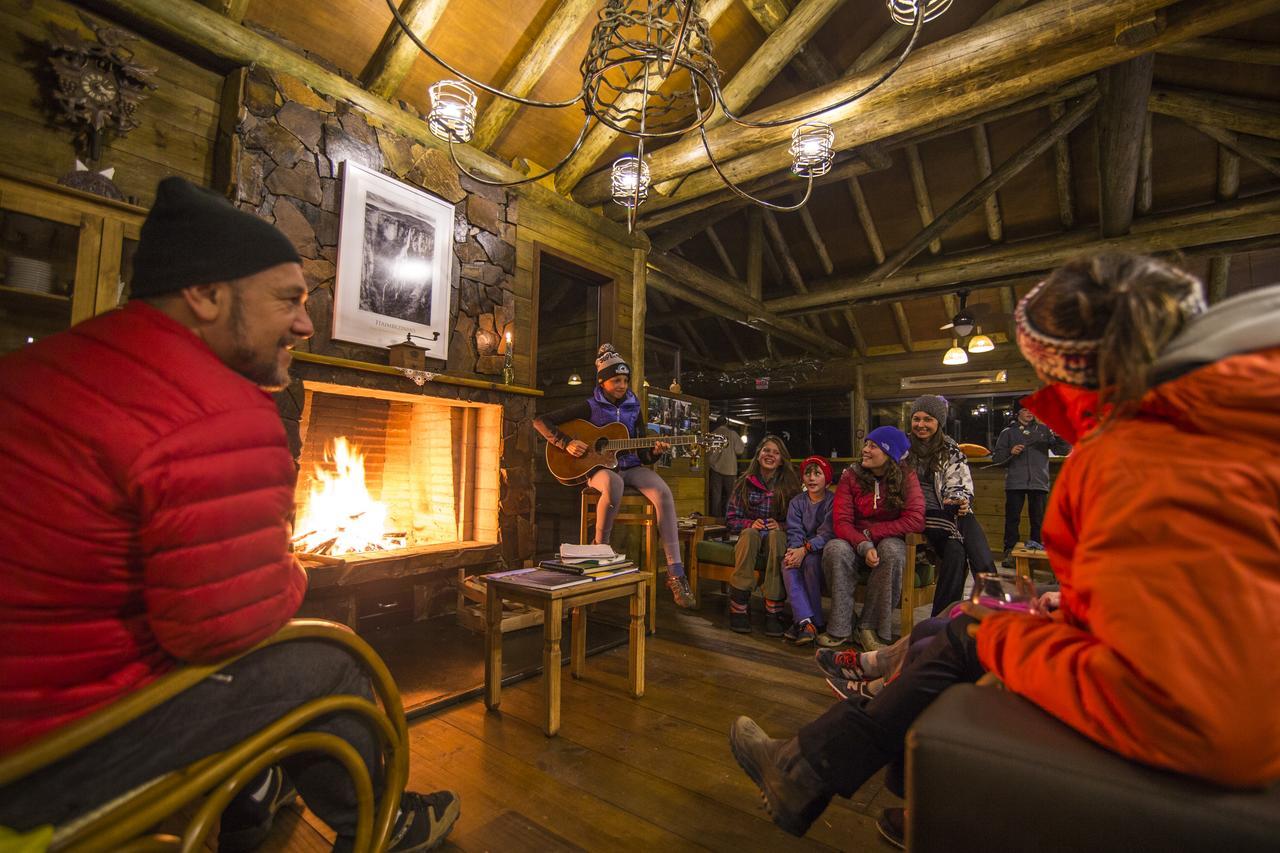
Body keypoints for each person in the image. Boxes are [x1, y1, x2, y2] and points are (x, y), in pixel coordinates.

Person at [727, 253, 1280, 846]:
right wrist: (1065, 609)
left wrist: (1013, 635)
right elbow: (1187, 594)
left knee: (969, 624)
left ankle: (812, 765)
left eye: (1048, 372)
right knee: (962, 615)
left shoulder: (1160, 451)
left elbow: (1214, 706)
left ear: (1087, 371)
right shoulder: (1209, 420)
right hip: (1180, 668)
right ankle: (909, 788)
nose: (1044, 389)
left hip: (1203, 719)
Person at [0, 178, 458, 851]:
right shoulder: (215, 406)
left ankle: (249, 790)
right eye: (288, 300)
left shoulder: (50, 363)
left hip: (28, 702)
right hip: (52, 756)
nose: (305, 323)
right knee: (327, 658)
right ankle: (384, 824)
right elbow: (228, 628)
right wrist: (290, 568)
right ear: (206, 294)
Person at [532, 343, 693, 608]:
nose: (622, 385)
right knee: (613, 483)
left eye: (625, 380)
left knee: (662, 492)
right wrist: (566, 442)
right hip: (599, 469)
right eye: (616, 380)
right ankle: (600, 551)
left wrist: (653, 452)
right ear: (602, 382)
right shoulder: (589, 407)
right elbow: (541, 421)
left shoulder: (633, 407)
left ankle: (676, 573)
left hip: (631, 466)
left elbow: (642, 453)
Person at [820, 427, 924, 651]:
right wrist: (863, 544)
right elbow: (842, 522)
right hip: (854, 539)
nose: (865, 450)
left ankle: (869, 627)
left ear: (890, 454)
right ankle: (842, 625)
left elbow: (915, 520)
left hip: (888, 537)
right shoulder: (851, 475)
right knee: (834, 548)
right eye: (866, 444)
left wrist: (874, 534)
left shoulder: (907, 477)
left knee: (893, 551)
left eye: (873, 446)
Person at [905, 395, 997, 614]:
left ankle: (943, 618)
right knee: (962, 524)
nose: (921, 424)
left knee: (956, 549)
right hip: (913, 511)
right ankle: (994, 588)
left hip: (943, 514)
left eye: (928, 419)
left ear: (939, 422)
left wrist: (960, 500)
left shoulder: (951, 449)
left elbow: (960, 482)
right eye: (916, 419)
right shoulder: (902, 448)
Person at [723, 434, 802, 635]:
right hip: (751, 538)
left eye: (776, 452)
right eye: (766, 450)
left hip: (776, 538)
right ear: (758, 455)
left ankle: (773, 611)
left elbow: (799, 522)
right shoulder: (744, 482)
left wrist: (781, 525)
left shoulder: (791, 486)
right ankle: (738, 605)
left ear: (782, 459)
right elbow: (731, 519)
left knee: (777, 537)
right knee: (749, 534)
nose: (770, 455)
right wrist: (751, 523)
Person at [992, 405, 1071, 560]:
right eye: (1026, 410)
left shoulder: (1044, 430)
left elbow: (1062, 451)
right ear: (1017, 413)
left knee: (1038, 519)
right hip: (1015, 482)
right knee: (1012, 519)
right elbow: (997, 458)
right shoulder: (1008, 432)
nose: (1030, 413)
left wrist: (1061, 436)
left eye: (1032, 410)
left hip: (1039, 481)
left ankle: (1036, 553)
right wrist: (1010, 452)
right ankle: (1009, 553)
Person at [780, 456, 835, 645]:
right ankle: (806, 622)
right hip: (800, 548)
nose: (811, 478)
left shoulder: (832, 501)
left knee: (811, 563)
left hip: (821, 551)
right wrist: (795, 551)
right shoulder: (797, 502)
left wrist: (806, 549)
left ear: (826, 478)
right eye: (807, 474)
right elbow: (794, 530)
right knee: (787, 563)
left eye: (817, 474)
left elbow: (828, 533)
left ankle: (815, 621)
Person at [706, 415, 745, 518]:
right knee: (731, 496)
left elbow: (708, 453)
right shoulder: (732, 434)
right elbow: (740, 450)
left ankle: (716, 518)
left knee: (716, 495)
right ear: (726, 423)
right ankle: (729, 517)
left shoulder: (712, 435)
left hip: (715, 468)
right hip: (730, 469)